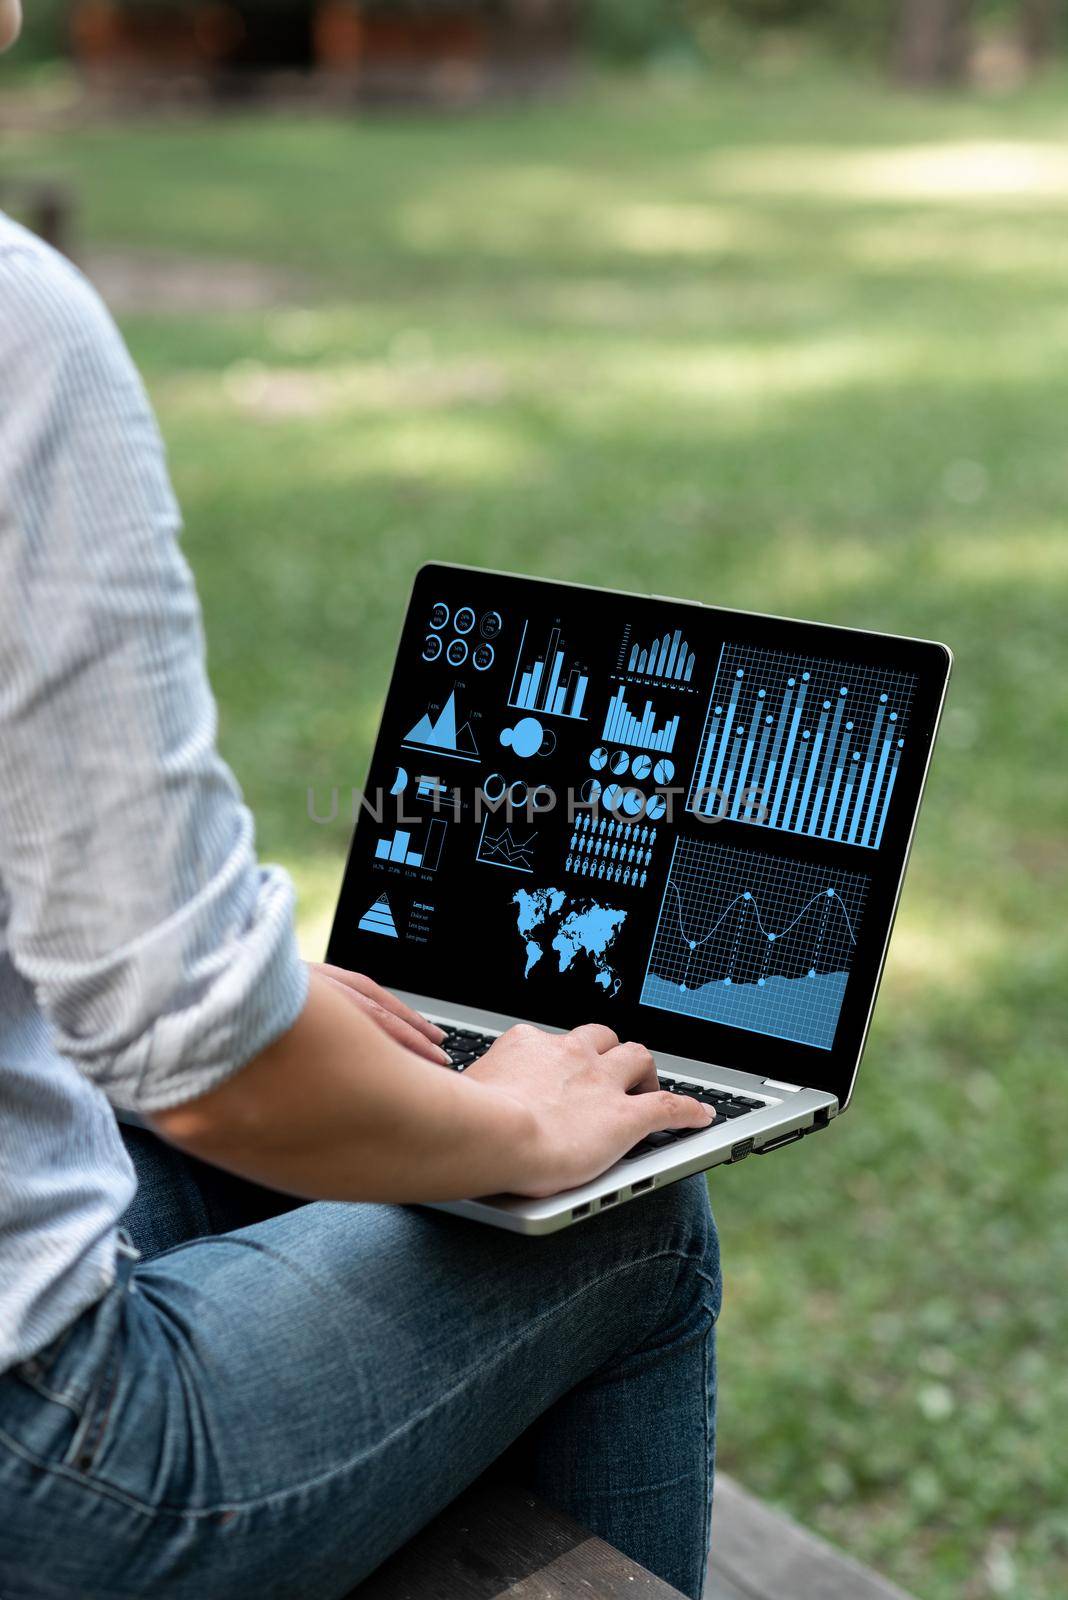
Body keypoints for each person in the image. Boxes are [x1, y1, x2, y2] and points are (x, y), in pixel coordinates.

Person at [0, 4, 721, 1595]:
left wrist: (240, 999)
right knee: (626, 1220)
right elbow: (211, 1076)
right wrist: (515, 1127)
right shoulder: (14, 329)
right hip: (44, 1474)